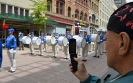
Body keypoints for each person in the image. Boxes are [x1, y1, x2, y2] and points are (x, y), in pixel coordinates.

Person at [69, 2, 133, 83]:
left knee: (96, 50)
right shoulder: (127, 74)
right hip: (94, 43)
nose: (105, 47)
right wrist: (85, 77)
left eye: (107, 39)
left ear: (123, 43)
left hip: (97, 43)